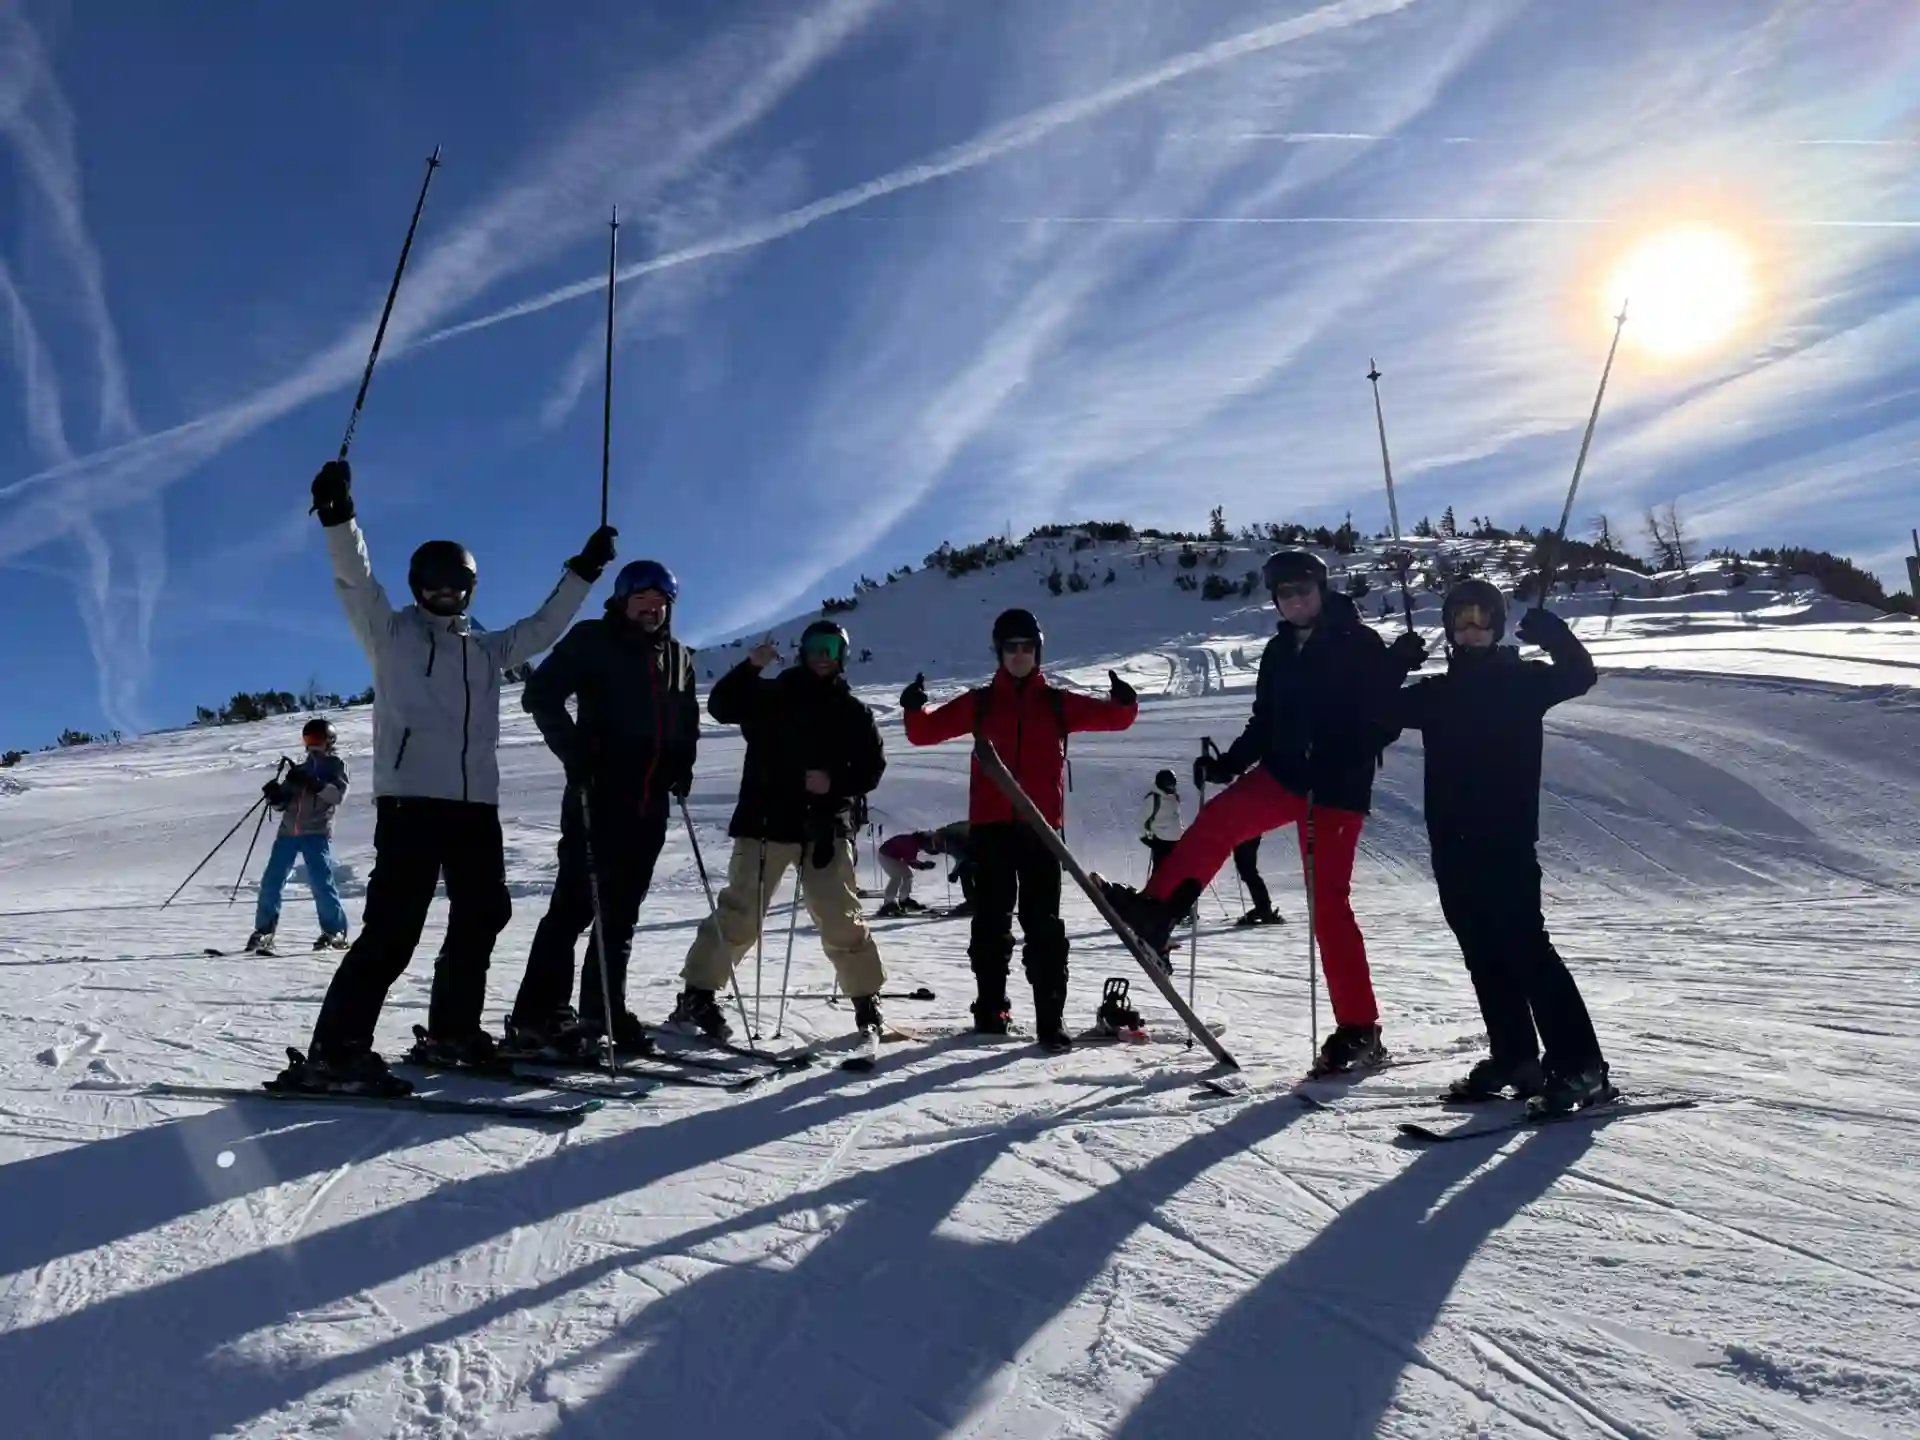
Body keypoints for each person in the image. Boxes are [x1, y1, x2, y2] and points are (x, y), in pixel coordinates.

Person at [278, 458, 613, 1094]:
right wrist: (338, 516)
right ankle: (337, 1049)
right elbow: (355, 580)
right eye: (432, 586)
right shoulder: (391, 634)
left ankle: (453, 1031)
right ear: (417, 587)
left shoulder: (484, 650)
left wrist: (583, 571)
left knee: (485, 912)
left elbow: (543, 627)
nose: (443, 596)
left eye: (455, 586)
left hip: (473, 809)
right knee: (395, 928)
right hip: (410, 804)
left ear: (469, 589)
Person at [1097, 550, 1426, 1074]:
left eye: (1304, 591)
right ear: (1277, 599)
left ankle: (1361, 1029)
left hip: (1335, 786)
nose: (1296, 601)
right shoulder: (1277, 651)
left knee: (1328, 907)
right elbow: (1265, 721)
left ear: (1321, 588)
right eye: (1285, 594)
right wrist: (1230, 763)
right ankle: (1157, 914)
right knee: (1219, 820)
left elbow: (1383, 718)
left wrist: (1395, 669)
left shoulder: (1358, 641)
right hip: (1284, 774)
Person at [1394, 579, 1611, 1115]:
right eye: (1460, 620)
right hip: (1450, 840)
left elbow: (1580, 676)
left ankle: (1583, 1065)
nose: (1471, 629)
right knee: (1482, 953)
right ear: (1448, 629)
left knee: (1525, 948)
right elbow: (1370, 709)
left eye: (1482, 619)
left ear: (1496, 625)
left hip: (1506, 837)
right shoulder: (1436, 694)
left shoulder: (1522, 682)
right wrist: (1394, 662)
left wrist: (1556, 636)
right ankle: (1516, 1057)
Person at [902, 608, 1138, 1049]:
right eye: (1011, 647)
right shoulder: (981, 703)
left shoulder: (1055, 703)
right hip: (990, 830)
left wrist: (1124, 701)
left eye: (1027, 646)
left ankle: (1051, 1018)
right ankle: (991, 1011)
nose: (1019, 654)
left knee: (1043, 924)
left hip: (1041, 831)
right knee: (990, 923)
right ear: (999, 652)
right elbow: (924, 733)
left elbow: (1115, 718)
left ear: (1038, 651)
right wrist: (915, 708)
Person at [505, 559, 699, 1059]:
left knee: (621, 916)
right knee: (573, 907)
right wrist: (575, 751)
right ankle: (537, 1015)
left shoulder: (679, 657)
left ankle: (603, 1011)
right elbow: (540, 694)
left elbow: (686, 719)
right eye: (642, 601)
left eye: (660, 603)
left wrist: (683, 765)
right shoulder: (593, 639)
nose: (651, 610)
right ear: (622, 600)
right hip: (598, 794)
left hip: (649, 802)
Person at [667, 620, 888, 1040]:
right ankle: (697, 994)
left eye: (831, 648)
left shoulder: (854, 712)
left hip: (826, 829)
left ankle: (866, 999)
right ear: (802, 651)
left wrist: (834, 783)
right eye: (815, 647)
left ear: (841, 656)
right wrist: (750, 666)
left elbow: (872, 768)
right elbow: (721, 706)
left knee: (841, 916)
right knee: (740, 914)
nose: (823, 656)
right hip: (764, 823)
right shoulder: (771, 695)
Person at [245, 717, 351, 955]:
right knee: (272, 881)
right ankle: (264, 932)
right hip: (288, 833)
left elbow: (337, 796)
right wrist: (276, 796)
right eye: (308, 738)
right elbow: (284, 804)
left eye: (317, 739)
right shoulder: (299, 770)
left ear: (329, 741)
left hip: (315, 832)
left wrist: (314, 783)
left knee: (321, 883)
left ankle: (335, 932)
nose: (312, 744)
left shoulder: (335, 766)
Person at [876, 830, 941, 916]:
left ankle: (903, 900)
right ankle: (888, 903)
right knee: (897, 876)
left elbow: (910, 859)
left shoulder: (913, 841)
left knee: (907, 875)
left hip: (892, 856)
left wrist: (922, 865)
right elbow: (910, 861)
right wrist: (923, 865)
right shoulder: (910, 844)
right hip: (886, 856)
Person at [1138, 768, 1183, 877]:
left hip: (1177, 841)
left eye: (1173, 785)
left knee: (1177, 872)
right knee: (1161, 873)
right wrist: (1147, 839)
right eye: (1169, 785)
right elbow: (1142, 821)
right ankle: (1155, 893)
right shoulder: (1153, 799)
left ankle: (1173, 893)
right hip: (1161, 842)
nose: (1172, 788)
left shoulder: (1174, 797)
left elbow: (1176, 818)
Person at [1231, 836, 1283, 926]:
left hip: (1246, 833)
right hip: (1246, 834)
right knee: (1247, 871)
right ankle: (1263, 908)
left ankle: (1264, 909)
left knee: (1248, 871)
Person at [937, 819, 976, 916]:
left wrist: (955, 873)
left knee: (966, 876)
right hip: (980, 853)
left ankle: (972, 904)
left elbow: (961, 858)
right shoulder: (957, 834)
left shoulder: (952, 840)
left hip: (975, 856)